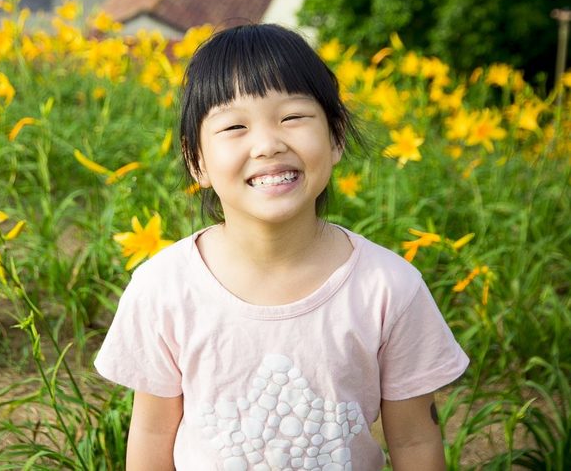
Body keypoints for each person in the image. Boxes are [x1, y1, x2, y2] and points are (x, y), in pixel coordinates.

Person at [94, 24, 469, 471]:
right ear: (197, 161)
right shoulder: (163, 288)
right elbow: (153, 434)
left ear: (336, 137)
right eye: (235, 126)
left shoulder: (389, 288)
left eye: (292, 117)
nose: (268, 144)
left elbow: (414, 442)